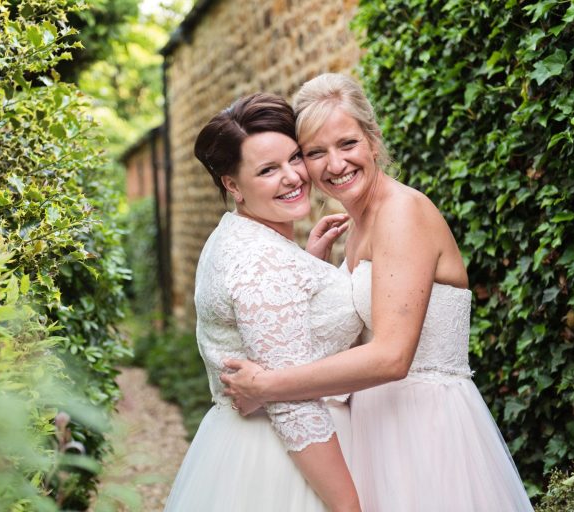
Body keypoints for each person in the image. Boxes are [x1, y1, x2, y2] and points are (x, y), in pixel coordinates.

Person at [220, 73, 534, 511]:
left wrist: (268, 386)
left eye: (347, 143)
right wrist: (318, 271)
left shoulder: (402, 212)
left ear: (372, 139)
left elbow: (391, 355)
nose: (334, 165)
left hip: (424, 429)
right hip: (375, 426)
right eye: (315, 153)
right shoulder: (360, 222)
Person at [163, 92, 364, 511]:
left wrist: (308, 269)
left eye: (294, 158)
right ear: (232, 185)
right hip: (287, 462)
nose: (293, 177)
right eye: (268, 170)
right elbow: (293, 408)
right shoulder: (260, 261)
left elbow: (279, 332)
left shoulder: (239, 237)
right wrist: (348, 506)